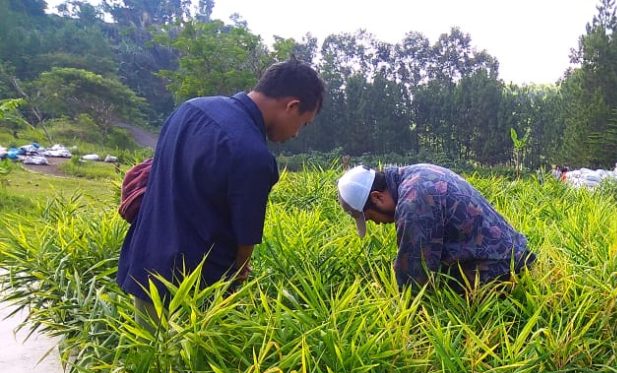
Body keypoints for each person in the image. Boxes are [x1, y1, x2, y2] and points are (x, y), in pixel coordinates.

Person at [117, 59, 325, 319]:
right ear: (291, 106)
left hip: (145, 265)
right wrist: (235, 285)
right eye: (303, 124)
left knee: (147, 353)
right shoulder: (253, 155)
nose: (296, 133)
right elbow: (244, 243)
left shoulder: (189, 110)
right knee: (184, 360)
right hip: (194, 293)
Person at [336, 163, 536, 293]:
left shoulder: (413, 202)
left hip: (501, 271)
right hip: (513, 255)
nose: (378, 223)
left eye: (371, 218)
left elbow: (414, 283)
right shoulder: (416, 173)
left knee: (443, 300)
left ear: (377, 197)